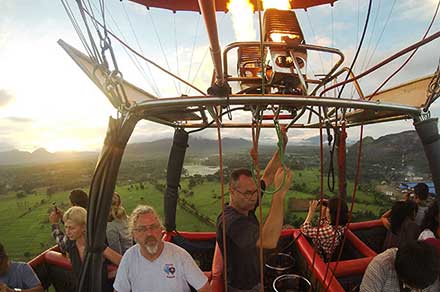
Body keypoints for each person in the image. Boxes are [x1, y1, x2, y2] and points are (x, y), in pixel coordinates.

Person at [216, 128, 292, 292]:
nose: (253, 197)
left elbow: (269, 175)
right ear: (232, 191)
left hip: (255, 279)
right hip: (241, 287)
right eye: (248, 193)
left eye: (255, 191)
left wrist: (282, 144)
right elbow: (269, 240)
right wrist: (280, 193)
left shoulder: (247, 204)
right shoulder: (231, 221)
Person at [113, 205, 211, 292]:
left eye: (154, 227)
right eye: (142, 229)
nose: (149, 233)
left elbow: (204, 288)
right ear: (133, 234)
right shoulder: (129, 258)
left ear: (161, 229)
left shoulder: (179, 255)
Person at [50, 206, 121, 292]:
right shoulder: (70, 243)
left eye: (71, 228)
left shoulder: (96, 245)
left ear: (84, 227)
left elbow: (124, 262)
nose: (67, 232)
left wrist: (112, 274)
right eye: (66, 227)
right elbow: (60, 240)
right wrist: (56, 223)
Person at [360, 241, 440, 292]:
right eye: (415, 288)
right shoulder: (382, 264)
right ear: (402, 277)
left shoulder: (430, 268)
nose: (418, 291)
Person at [300, 197, 349, 261]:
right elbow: (322, 224)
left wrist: (311, 212)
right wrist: (327, 206)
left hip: (319, 257)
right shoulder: (339, 224)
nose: (325, 209)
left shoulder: (330, 231)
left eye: (327, 209)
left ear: (331, 213)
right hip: (322, 248)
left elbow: (305, 229)